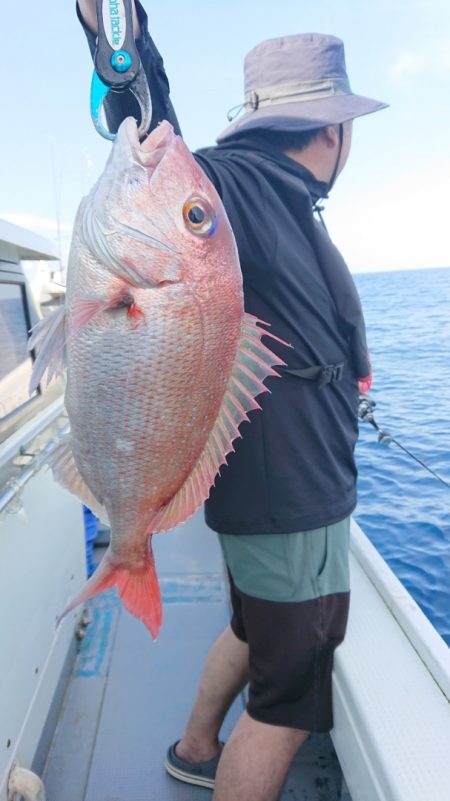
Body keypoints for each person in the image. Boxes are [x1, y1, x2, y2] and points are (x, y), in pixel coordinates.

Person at [77, 3, 387, 799]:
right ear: (332, 132)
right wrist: (116, 34)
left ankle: (194, 744)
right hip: (295, 503)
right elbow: (146, 112)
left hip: (258, 503)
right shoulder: (235, 186)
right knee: (285, 705)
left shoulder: (274, 195)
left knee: (251, 627)